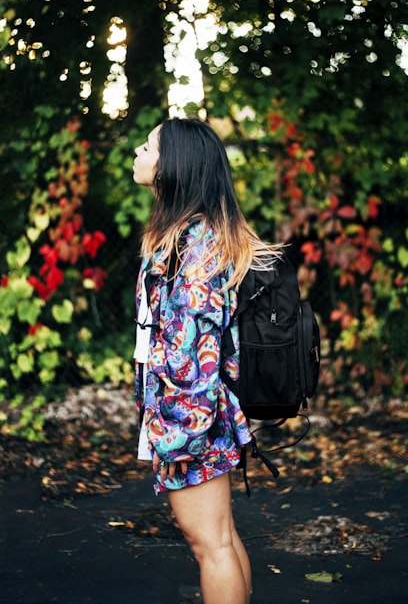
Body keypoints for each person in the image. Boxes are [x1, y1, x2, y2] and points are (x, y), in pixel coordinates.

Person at [132, 117, 281, 604]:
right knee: (220, 537)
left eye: (150, 146)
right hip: (201, 417)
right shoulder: (193, 238)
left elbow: (191, 358)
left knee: (209, 544)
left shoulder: (192, 251)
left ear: (173, 165)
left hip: (191, 419)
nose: (139, 150)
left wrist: (174, 435)